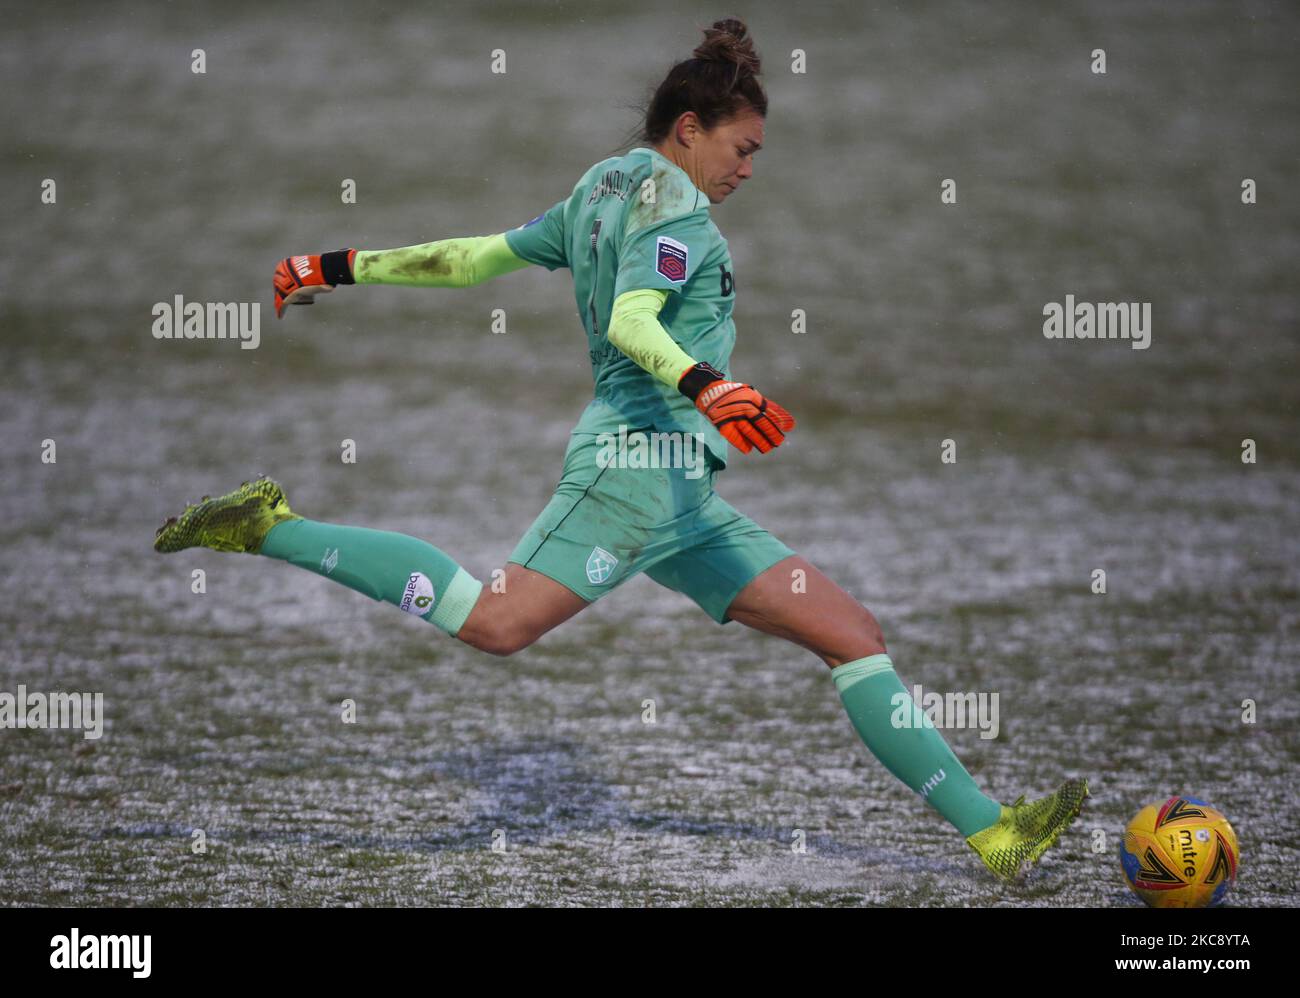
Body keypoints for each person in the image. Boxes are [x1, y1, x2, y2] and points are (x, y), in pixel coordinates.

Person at [155, 17, 1086, 880]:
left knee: (852, 635)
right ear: (690, 127)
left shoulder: (598, 187)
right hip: (634, 470)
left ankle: (995, 834)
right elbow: (639, 322)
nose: (749, 170)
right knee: (496, 623)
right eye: (743, 148)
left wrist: (336, 266)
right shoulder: (674, 211)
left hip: (684, 494)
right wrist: (708, 386)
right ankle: (266, 525)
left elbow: (475, 258)